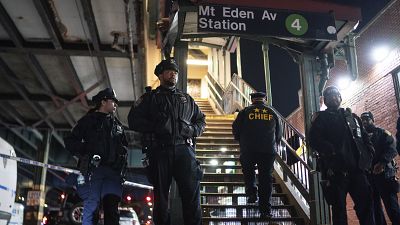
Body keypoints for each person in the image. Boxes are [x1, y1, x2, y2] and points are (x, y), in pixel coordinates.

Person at [128, 58, 206, 225]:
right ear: (161, 74)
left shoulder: (186, 99)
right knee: (162, 198)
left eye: (176, 72)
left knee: (191, 195)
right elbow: (133, 120)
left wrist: (192, 130)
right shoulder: (149, 98)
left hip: (184, 150)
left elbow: (201, 121)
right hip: (159, 151)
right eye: (170, 71)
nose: (173, 74)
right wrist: (155, 126)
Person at [309, 86, 375, 225]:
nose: (334, 97)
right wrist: (331, 151)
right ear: (325, 100)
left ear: (340, 97)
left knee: (367, 208)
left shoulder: (352, 117)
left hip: (358, 171)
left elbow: (364, 138)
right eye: (330, 95)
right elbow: (314, 140)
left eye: (337, 95)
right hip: (337, 173)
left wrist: (369, 154)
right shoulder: (321, 118)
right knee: (339, 212)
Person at [64, 88, 128, 225]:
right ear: (103, 101)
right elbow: (70, 141)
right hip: (92, 171)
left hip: (113, 174)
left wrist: (121, 169)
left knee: (112, 210)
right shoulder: (88, 121)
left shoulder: (118, 126)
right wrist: (87, 153)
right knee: (92, 208)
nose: (116, 105)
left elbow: (124, 149)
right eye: (113, 101)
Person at [232, 92, 282, 218]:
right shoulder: (272, 112)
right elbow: (279, 133)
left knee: (248, 171)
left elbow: (236, 129)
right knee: (266, 179)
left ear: (252, 100)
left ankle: (251, 193)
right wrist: (274, 143)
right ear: (264, 100)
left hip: (248, 149)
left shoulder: (245, 112)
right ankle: (265, 210)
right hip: (267, 150)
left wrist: (241, 140)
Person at [361, 111, 400, 225]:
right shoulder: (362, 139)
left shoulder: (383, 133)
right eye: (362, 120)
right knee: (375, 209)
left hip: (385, 175)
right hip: (370, 177)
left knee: (392, 207)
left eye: (367, 119)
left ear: (372, 120)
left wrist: (382, 163)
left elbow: (392, 149)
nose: (364, 122)